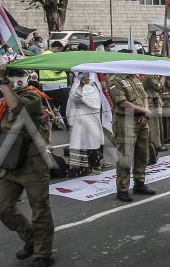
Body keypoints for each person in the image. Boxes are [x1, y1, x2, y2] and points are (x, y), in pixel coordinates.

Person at [0, 64, 55, 267]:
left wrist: (3, 80)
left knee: (39, 208)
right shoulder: (2, 102)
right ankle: (31, 239)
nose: (12, 79)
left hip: (33, 163)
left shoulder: (33, 98)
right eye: (9, 76)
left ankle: (44, 253)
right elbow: (1, 133)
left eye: (15, 76)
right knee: (1, 206)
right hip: (9, 164)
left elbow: (18, 107)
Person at [105, 71, 157, 203]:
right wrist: (144, 111)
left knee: (142, 154)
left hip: (141, 120)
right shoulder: (115, 80)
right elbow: (123, 103)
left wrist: (145, 114)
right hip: (125, 121)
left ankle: (139, 183)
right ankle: (122, 189)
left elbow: (144, 97)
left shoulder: (135, 77)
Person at [66, 72, 111, 174]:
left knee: (95, 141)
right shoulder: (77, 84)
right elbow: (74, 98)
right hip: (83, 117)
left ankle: (97, 164)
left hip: (94, 116)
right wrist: (81, 86)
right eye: (83, 73)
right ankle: (85, 168)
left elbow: (97, 99)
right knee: (86, 142)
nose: (86, 75)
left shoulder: (94, 84)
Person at [38, 40, 71, 126]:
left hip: (46, 86)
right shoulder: (52, 56)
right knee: (66, 103)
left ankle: (54, 121)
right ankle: (63, 121)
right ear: (57, 48)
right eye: (60, 50)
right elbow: (57, 69)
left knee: (51, 106)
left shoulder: (43, 55)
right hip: (57, 86)